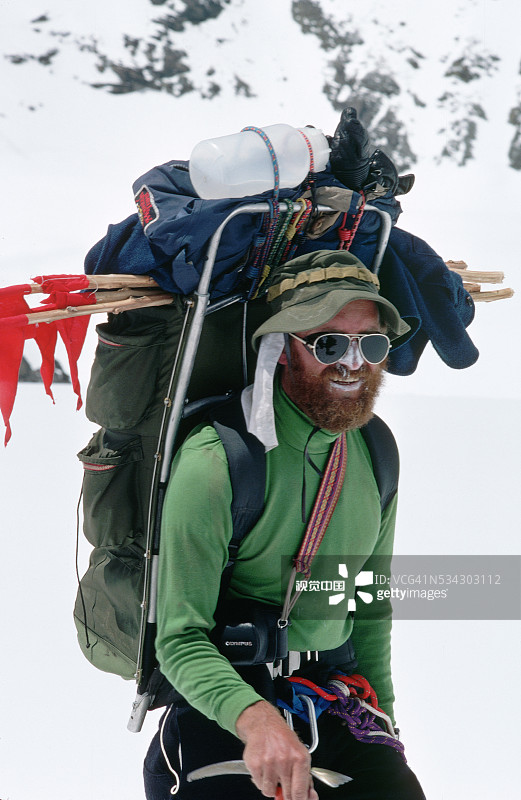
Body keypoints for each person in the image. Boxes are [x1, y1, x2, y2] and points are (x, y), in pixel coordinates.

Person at [144, 250, 427, 800]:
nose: (352, 363)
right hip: (223, 705)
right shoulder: (218, 462)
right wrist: (258, 721)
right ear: (282, 350)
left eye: (371, 344)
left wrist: (386, 731)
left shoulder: (375, 451)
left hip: (333, 697)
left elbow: (369, 605)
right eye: (328, 344)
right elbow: (179, 639)